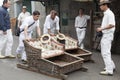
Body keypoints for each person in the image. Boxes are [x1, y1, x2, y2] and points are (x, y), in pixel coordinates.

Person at [96, 0, 115, 76]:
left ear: (105, 5)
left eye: (101, 5)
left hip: (107, 35)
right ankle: (111, 66)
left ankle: (109, 70)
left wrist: (101, 28)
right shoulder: (106, 13)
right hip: (106, 35)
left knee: (105, 53)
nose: (100, 6)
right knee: (106, 52)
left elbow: (111, 25)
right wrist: (102, 28)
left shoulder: (109, 14)